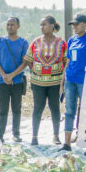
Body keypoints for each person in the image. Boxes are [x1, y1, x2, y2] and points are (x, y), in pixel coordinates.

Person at [61, 13, 86, 151]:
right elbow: (69, 60)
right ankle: (66, 144)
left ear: (84, 25)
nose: (74, 27)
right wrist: (63, 80)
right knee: (69, 111)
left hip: (85, 81)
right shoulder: (71, 40)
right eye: (73, 25)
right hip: (70, 79)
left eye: (76, 24)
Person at [26, 15, 67, 146]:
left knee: (55, 107)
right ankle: (34, 136)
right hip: (38, 83)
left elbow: (66, 61)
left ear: (52, 26)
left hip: (55, 82)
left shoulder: (61, 43)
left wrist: (63, 78)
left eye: (44, 24)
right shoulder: (36, 42)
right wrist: (35, 70)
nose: (41, 27)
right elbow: (28, 59)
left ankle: (56, 136)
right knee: (38, 108)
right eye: (40, 25)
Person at [0, 17, 29, 143]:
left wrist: (12, 75)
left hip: (17, 81)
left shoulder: (23, 42)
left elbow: (25, 62)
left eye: (12, 25)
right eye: (8, 24)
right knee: (3, 110)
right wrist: (4, 75)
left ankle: (16, 133)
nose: (9, 27)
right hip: (2, 82)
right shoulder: (0, 41)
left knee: (16, 109)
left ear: (18, 26)